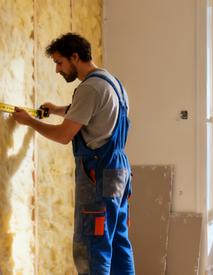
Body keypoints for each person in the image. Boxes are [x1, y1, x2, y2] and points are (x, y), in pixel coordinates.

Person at [12, 32, 134, 275]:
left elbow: (63, 135)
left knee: (91, 245)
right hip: (119, 170)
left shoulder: (89, 88)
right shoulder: (112, 83)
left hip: (98, 172)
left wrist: (29, 122)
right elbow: (92, 113)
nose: (57, 70)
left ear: (75, 57)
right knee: (118, 243)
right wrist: (58, 109)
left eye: (59, 62)